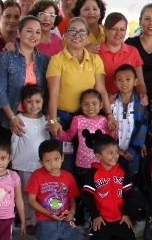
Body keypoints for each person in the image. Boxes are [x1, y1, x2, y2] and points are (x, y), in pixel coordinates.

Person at [46, 17, 115, 150]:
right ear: (65, 35)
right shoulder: (57, 60)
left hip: (89, 119)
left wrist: (109, 115)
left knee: (88, 156)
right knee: (64, 158)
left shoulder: (95, 60)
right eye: (72, 31)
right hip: (63, 118)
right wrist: (53, 121)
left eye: (82, 32)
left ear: (88, 37)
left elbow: (101, 90)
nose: (77, 35)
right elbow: (53, 94)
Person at [0, 15, 49, 135]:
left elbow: (47, 91)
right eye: (29, 31)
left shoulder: (44, 60)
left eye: (37, 32)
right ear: (19, 32)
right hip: (8, 117)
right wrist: (11, 117)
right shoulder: (6, 56)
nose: (34, 35)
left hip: (35, 117)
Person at [26, 140, 84, 240]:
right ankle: (52, 233)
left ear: (62, 158)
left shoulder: (68, 176)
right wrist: (48, 213)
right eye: (48, 161)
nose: (53, 164)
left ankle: (59, 233)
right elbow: (31, 201)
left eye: (56, 159)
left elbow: (72, 199)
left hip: (64, 218)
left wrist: (71, 212)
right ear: (41, 162)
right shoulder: (37, 175)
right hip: (45, 218)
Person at [82, 134, 139, 240]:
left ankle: (113, 232)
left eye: (116, 152)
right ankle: (94, 228)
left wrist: (126, 214)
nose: (115, 156)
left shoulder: (121, 171)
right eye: (110, 153)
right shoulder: (93, 173)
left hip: (119, 217)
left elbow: (128, 194)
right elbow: (87, 196)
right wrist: (95, 216)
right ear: (98, 156)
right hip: (101, 218)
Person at [9, 84, 48, 230]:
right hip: (23, 164)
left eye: (38, 101)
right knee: (25, 194)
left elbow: (47, 142)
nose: (34, 105)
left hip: (40, 165)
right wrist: (13, 161)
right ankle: (27, 221)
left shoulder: (45, 119)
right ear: (23, 103)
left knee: (39, 194)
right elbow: (14, 141)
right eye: (29, 101)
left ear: (43, 102)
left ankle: (38, 220)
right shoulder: (18, 119)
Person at [112, 64, 148, 179]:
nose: (124, 83)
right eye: (119, 80)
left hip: (133, 154)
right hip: (114, 154)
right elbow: (107, 128)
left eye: (128, 79)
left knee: (132, 179)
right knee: (115, 177)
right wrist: (113, 150)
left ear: (135, 81)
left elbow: (142, 129)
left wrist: (132, 150)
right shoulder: (111, 103)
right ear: (115, 83)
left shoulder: (140, 105)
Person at [99, 12, 148, 97]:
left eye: (122, 29)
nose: (118, 33)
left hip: (129, 102)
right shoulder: (96, 53)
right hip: (102, 102)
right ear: (105, 29)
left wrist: (142, 96)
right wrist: (105, 97)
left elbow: (140, 83)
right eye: (114, 29)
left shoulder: (133, 51)